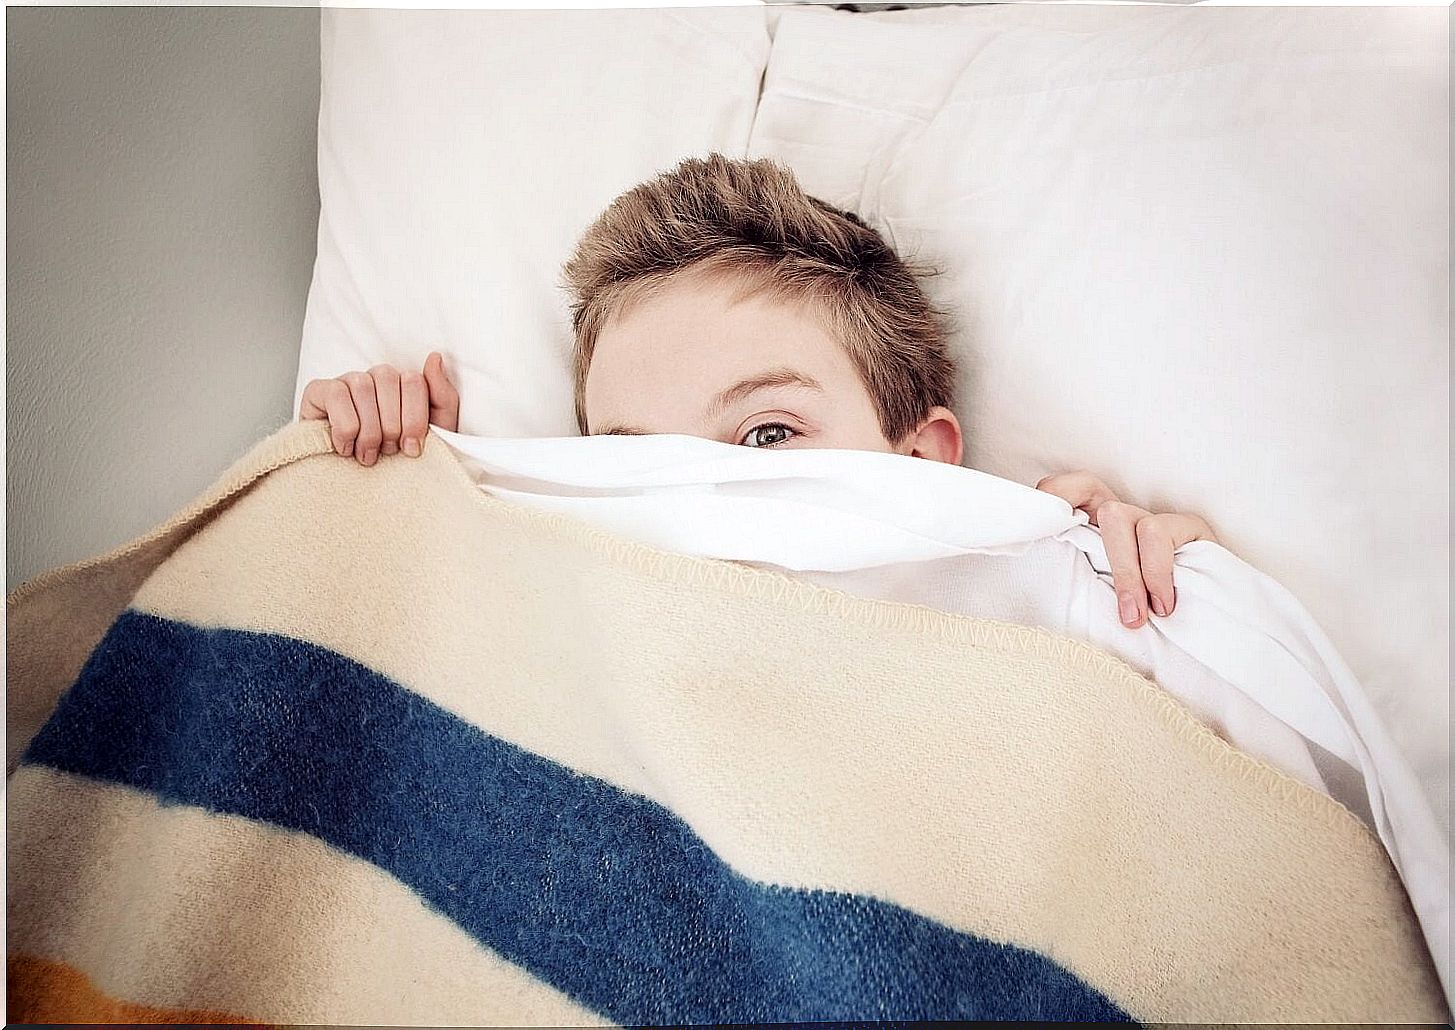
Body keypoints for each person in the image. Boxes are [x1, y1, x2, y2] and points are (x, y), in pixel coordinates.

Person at [299, 153, 1215, 630]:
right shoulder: (553, 606)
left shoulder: (1038, 611)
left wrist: (1156, 589)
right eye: (639, 460)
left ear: (925, 457)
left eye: (768, 436)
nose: (701, 501)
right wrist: (376, 508)